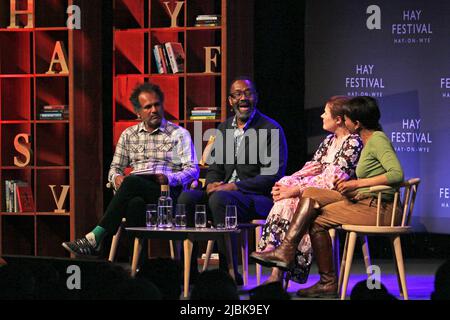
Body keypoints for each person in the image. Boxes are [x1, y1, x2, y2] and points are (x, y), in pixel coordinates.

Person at [251, 96, 404, 298]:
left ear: (355, 123)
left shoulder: (376, 140)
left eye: (347, 118)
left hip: (381, 209)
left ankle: (299, 261)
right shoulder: (366, 140)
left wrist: (356, 184)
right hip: (365, 201)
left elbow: (397, 174)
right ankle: (313, 273)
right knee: (312, 205)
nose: (345, 122)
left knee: (312, 213)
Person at [62, 82, 199, 256]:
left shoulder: (179, 134)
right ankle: (139, 271)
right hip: (136, 191)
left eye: (157, 105)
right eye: (147, 107)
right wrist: (116, 178)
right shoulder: (129, 135)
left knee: (132, 182)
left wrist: (168, 178)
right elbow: (114, 169)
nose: (154, 110)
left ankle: (96, 236)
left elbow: (193, 170)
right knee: (135, 203)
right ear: (138, 113)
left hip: (166, 193)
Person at [178, 76, 288, 284]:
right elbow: (215, 168)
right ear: (230, 101)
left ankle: (228, 271)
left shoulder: (270, 129)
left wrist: (234, 186)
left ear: (256, 97)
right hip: (223, 195)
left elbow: (272, 175)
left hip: (256, 198)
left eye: (248, 93)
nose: (243, 98)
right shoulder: (223, 128)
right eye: (237, 94)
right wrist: (211, 183)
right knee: (187, 198)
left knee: (220, 200)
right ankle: (189, 272)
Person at [257, 96, 362, 284]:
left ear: (338, 120)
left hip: (339, 197)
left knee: (298, 198)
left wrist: (294, 189)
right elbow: (311, 169)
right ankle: (275, 263)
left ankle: (276, 260)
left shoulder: (353, 143)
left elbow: (331, 180)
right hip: (315, 194)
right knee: (289, 199)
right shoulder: (329, 141)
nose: (322, 115)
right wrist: (286, 184)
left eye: (326, 112)